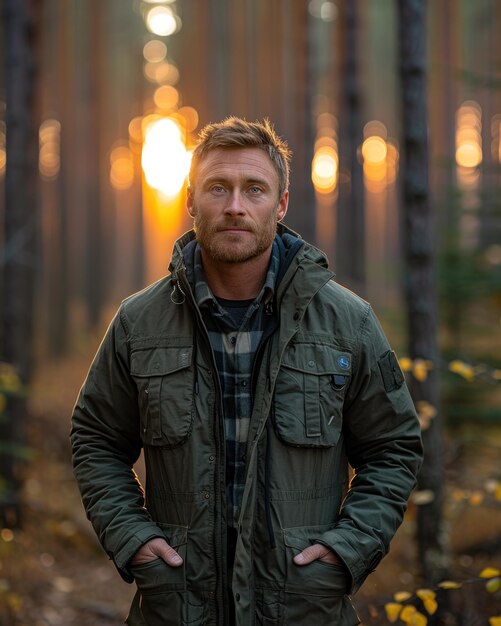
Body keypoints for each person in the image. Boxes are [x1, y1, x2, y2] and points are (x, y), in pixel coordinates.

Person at [71, 117, 423, 626]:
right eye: (218, 188)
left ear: (280, 205)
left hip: (302, 608)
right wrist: (134, 538)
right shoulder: (138, 323)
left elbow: (394, 447)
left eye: (254, 189)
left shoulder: (349, 323)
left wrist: (348, 548)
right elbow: (95, 437)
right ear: (191, 201)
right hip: (177, 608)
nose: (235, 205)